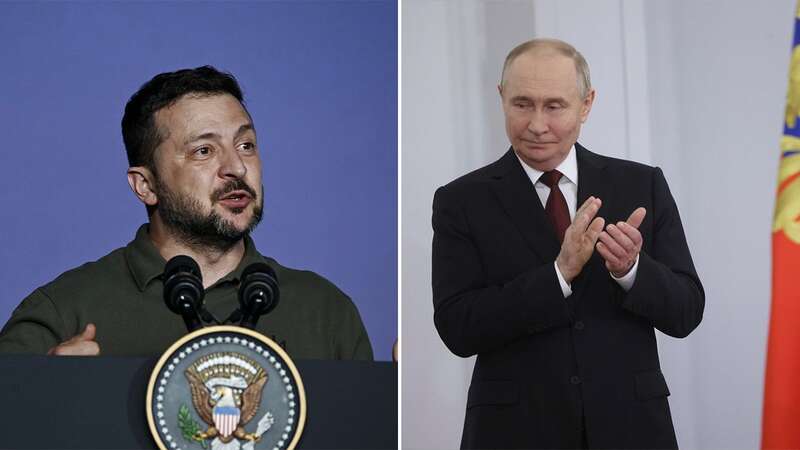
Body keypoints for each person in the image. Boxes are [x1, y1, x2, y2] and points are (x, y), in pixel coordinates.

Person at [432, 38, 704, 449]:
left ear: (586, 104)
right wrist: (557, 275)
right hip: (514, 433)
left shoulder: (640, 184)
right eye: (522, 104)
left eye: (554, 106)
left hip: (631, 429)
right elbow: (458, 327)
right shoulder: (461, 200)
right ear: (501, 98)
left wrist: (631, 270)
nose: (537, 124)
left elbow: (686, 311)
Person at [0, 66, 373, 360]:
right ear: (145, 185)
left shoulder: (327, 312)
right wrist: (41, 398)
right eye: (204, 151)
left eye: (245, 145)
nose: (237, 168)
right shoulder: (62, 313)